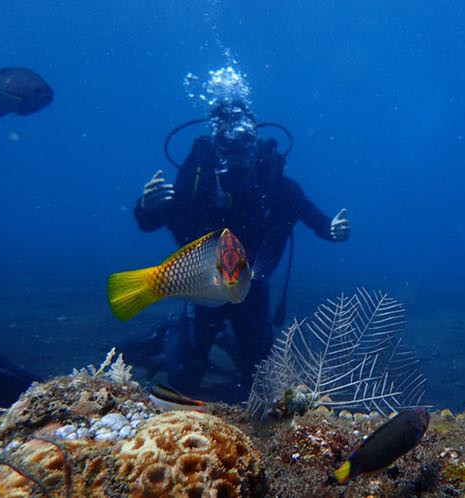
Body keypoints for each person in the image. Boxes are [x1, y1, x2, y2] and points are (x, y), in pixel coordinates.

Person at [131, 98, 351, 401]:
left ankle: (225, 339)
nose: (236, 148)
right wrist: (146, 205)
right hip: (202, 284)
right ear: (214, 141)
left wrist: (333, 230)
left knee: (260, 377)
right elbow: (149, 223)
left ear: (255, 140)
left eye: (244, 139)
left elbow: (315, 218)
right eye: (226, 139)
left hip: (251, 286)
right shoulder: (197, 182)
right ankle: (174, 331)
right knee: (184, 377)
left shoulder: (277, 186)